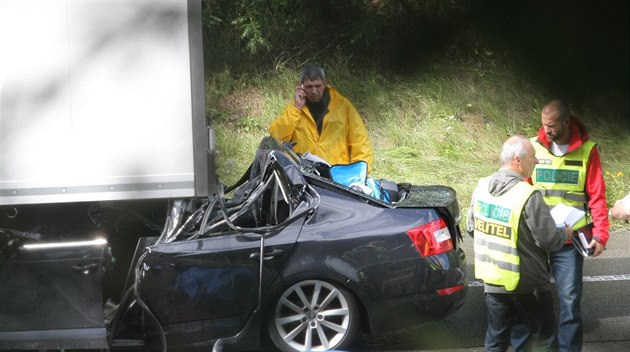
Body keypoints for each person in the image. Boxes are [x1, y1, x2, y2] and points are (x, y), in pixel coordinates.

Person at [516, 99, 610, 352]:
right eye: (544, 124)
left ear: (567, 122)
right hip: (536, 239)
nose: (546, 130)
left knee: (570, 301)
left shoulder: (588, 150)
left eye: (553, 125)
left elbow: (597, 196)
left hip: (569, 241)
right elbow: (520, 189)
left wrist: (600, 235)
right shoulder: (532, 147)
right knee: (531, 297)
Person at [467, 135, 573, 352]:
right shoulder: (528, 194)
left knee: (496, 340)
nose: (536, 161)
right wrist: (564, 232)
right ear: (518, 160)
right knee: (543, 340)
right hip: (528, 284)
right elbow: (549, 240)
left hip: (494, 281)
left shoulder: (482, 187)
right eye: (533, 157)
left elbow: (471, 227)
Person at [269, 64, 373, 171]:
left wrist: (361, 174)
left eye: (317, 86)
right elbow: (276, 138)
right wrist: (296, 108)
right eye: (309, 87)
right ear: (301, 86)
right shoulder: (295, 109)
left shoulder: (342, 106)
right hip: (304, 173)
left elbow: (360, 143)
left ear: (324, 84)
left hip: (336, 173)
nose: (314, 91)